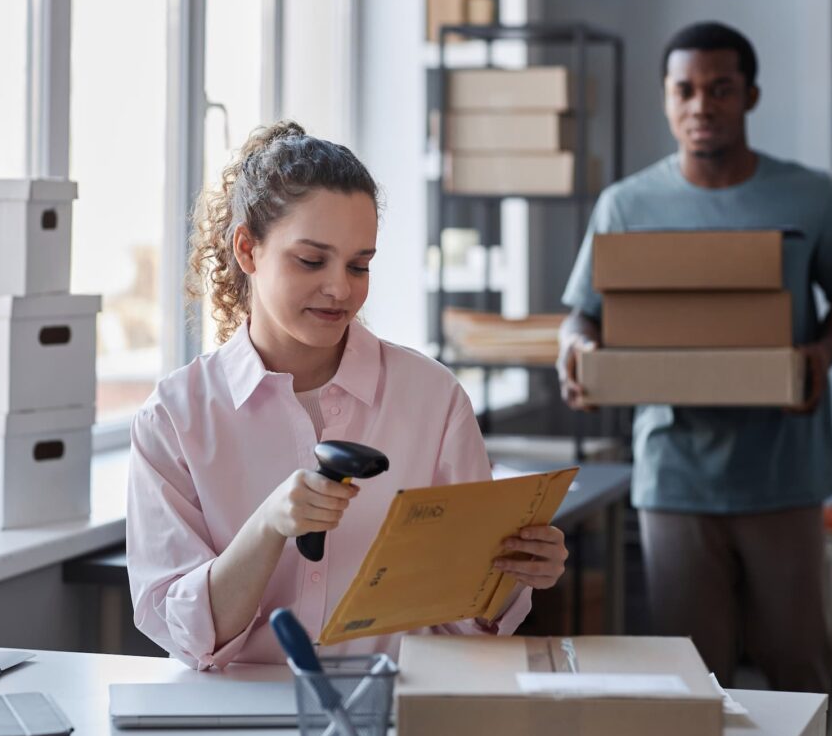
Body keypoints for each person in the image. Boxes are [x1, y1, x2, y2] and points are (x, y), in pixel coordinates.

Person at [127, 121, 568, 669]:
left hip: (392, 709)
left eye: (360, 265)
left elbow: (467, 618)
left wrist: (513, 572)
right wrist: (268, 526)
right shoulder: (175, 416)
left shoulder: (432, 398)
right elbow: (185, 632)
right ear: (247, 249)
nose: (341, 288)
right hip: (236, 717)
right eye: (311, 261)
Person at [558, 22, 832, 692]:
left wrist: (821, 353)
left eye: (721, 89)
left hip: (784, 471)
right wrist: (576, 350)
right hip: (676, 474)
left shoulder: (810, 197)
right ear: (667, 99)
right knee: (691, 678)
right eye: (686, 90)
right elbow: (584, 312)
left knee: (799, 668)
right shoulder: (627, 205)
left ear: (750, 96)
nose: (702, 105)